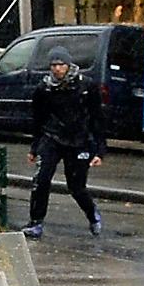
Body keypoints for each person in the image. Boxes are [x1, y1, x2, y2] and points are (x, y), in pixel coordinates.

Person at [24, 51, 106, 238]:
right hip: (51, 137)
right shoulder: (44, 88)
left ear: (69, 66)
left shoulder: (86, 86)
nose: (57, 69)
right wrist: (34, 147)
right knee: (41, 180)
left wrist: (99, 150)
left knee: (76, 186)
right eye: (53, 65)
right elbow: (38, 118)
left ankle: (92, 214)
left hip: (79, 141)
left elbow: (97, 118)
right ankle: (36, 221)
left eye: (61, 65)